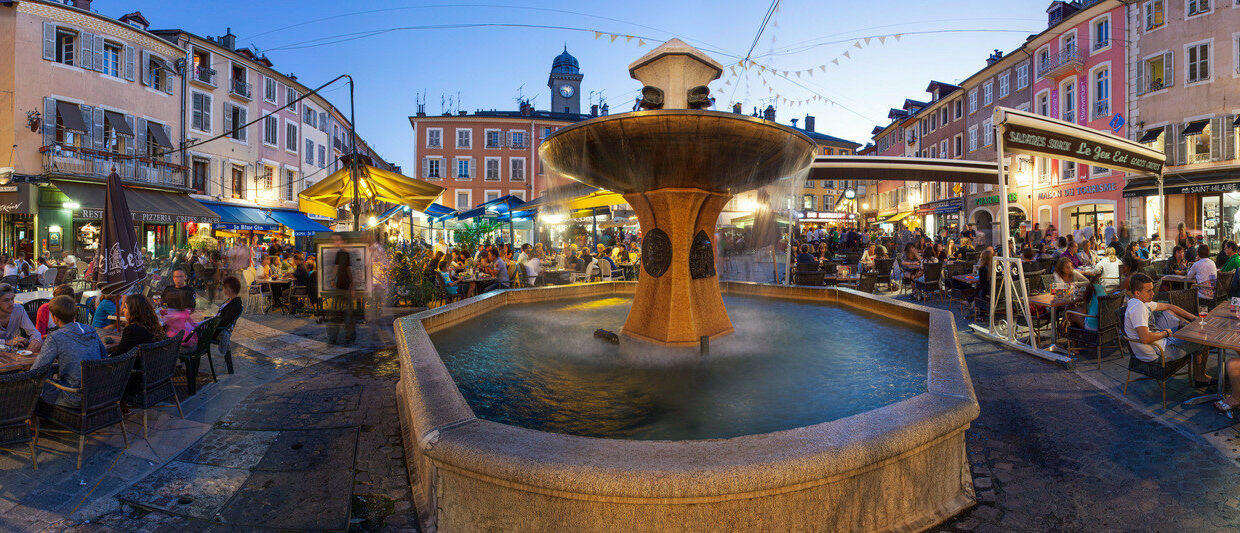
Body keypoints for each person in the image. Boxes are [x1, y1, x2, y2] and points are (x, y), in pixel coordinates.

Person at [1123, 273, 1212, 386]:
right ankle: (1200, 377)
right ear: (1137, 293)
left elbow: (1169, 306)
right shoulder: (1138, 308)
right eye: (1149, 291)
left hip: (1158, 344)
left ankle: (1190, 327)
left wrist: (1193, 317)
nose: (1153, 293)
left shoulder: (1137, 302)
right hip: (1159, 352)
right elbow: (1145, 338)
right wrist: (1166, 333)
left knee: (1169, 312)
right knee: (1203, 342)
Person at [31, 296, 106, 408]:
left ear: (55, 318)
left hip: (74, 397)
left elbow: (36, 371)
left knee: (34, 386)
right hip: (98, 392)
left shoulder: (55, 337)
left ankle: (31, 422)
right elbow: (104, 356)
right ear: (74, 314)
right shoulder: (90, 330)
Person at [0, 284, 41, 352]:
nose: (11, 303)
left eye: (12, 299)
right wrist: (6, 342)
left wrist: (36, 340)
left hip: (11, 353)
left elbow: (33, 331)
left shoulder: (18, 310)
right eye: (6, 300)